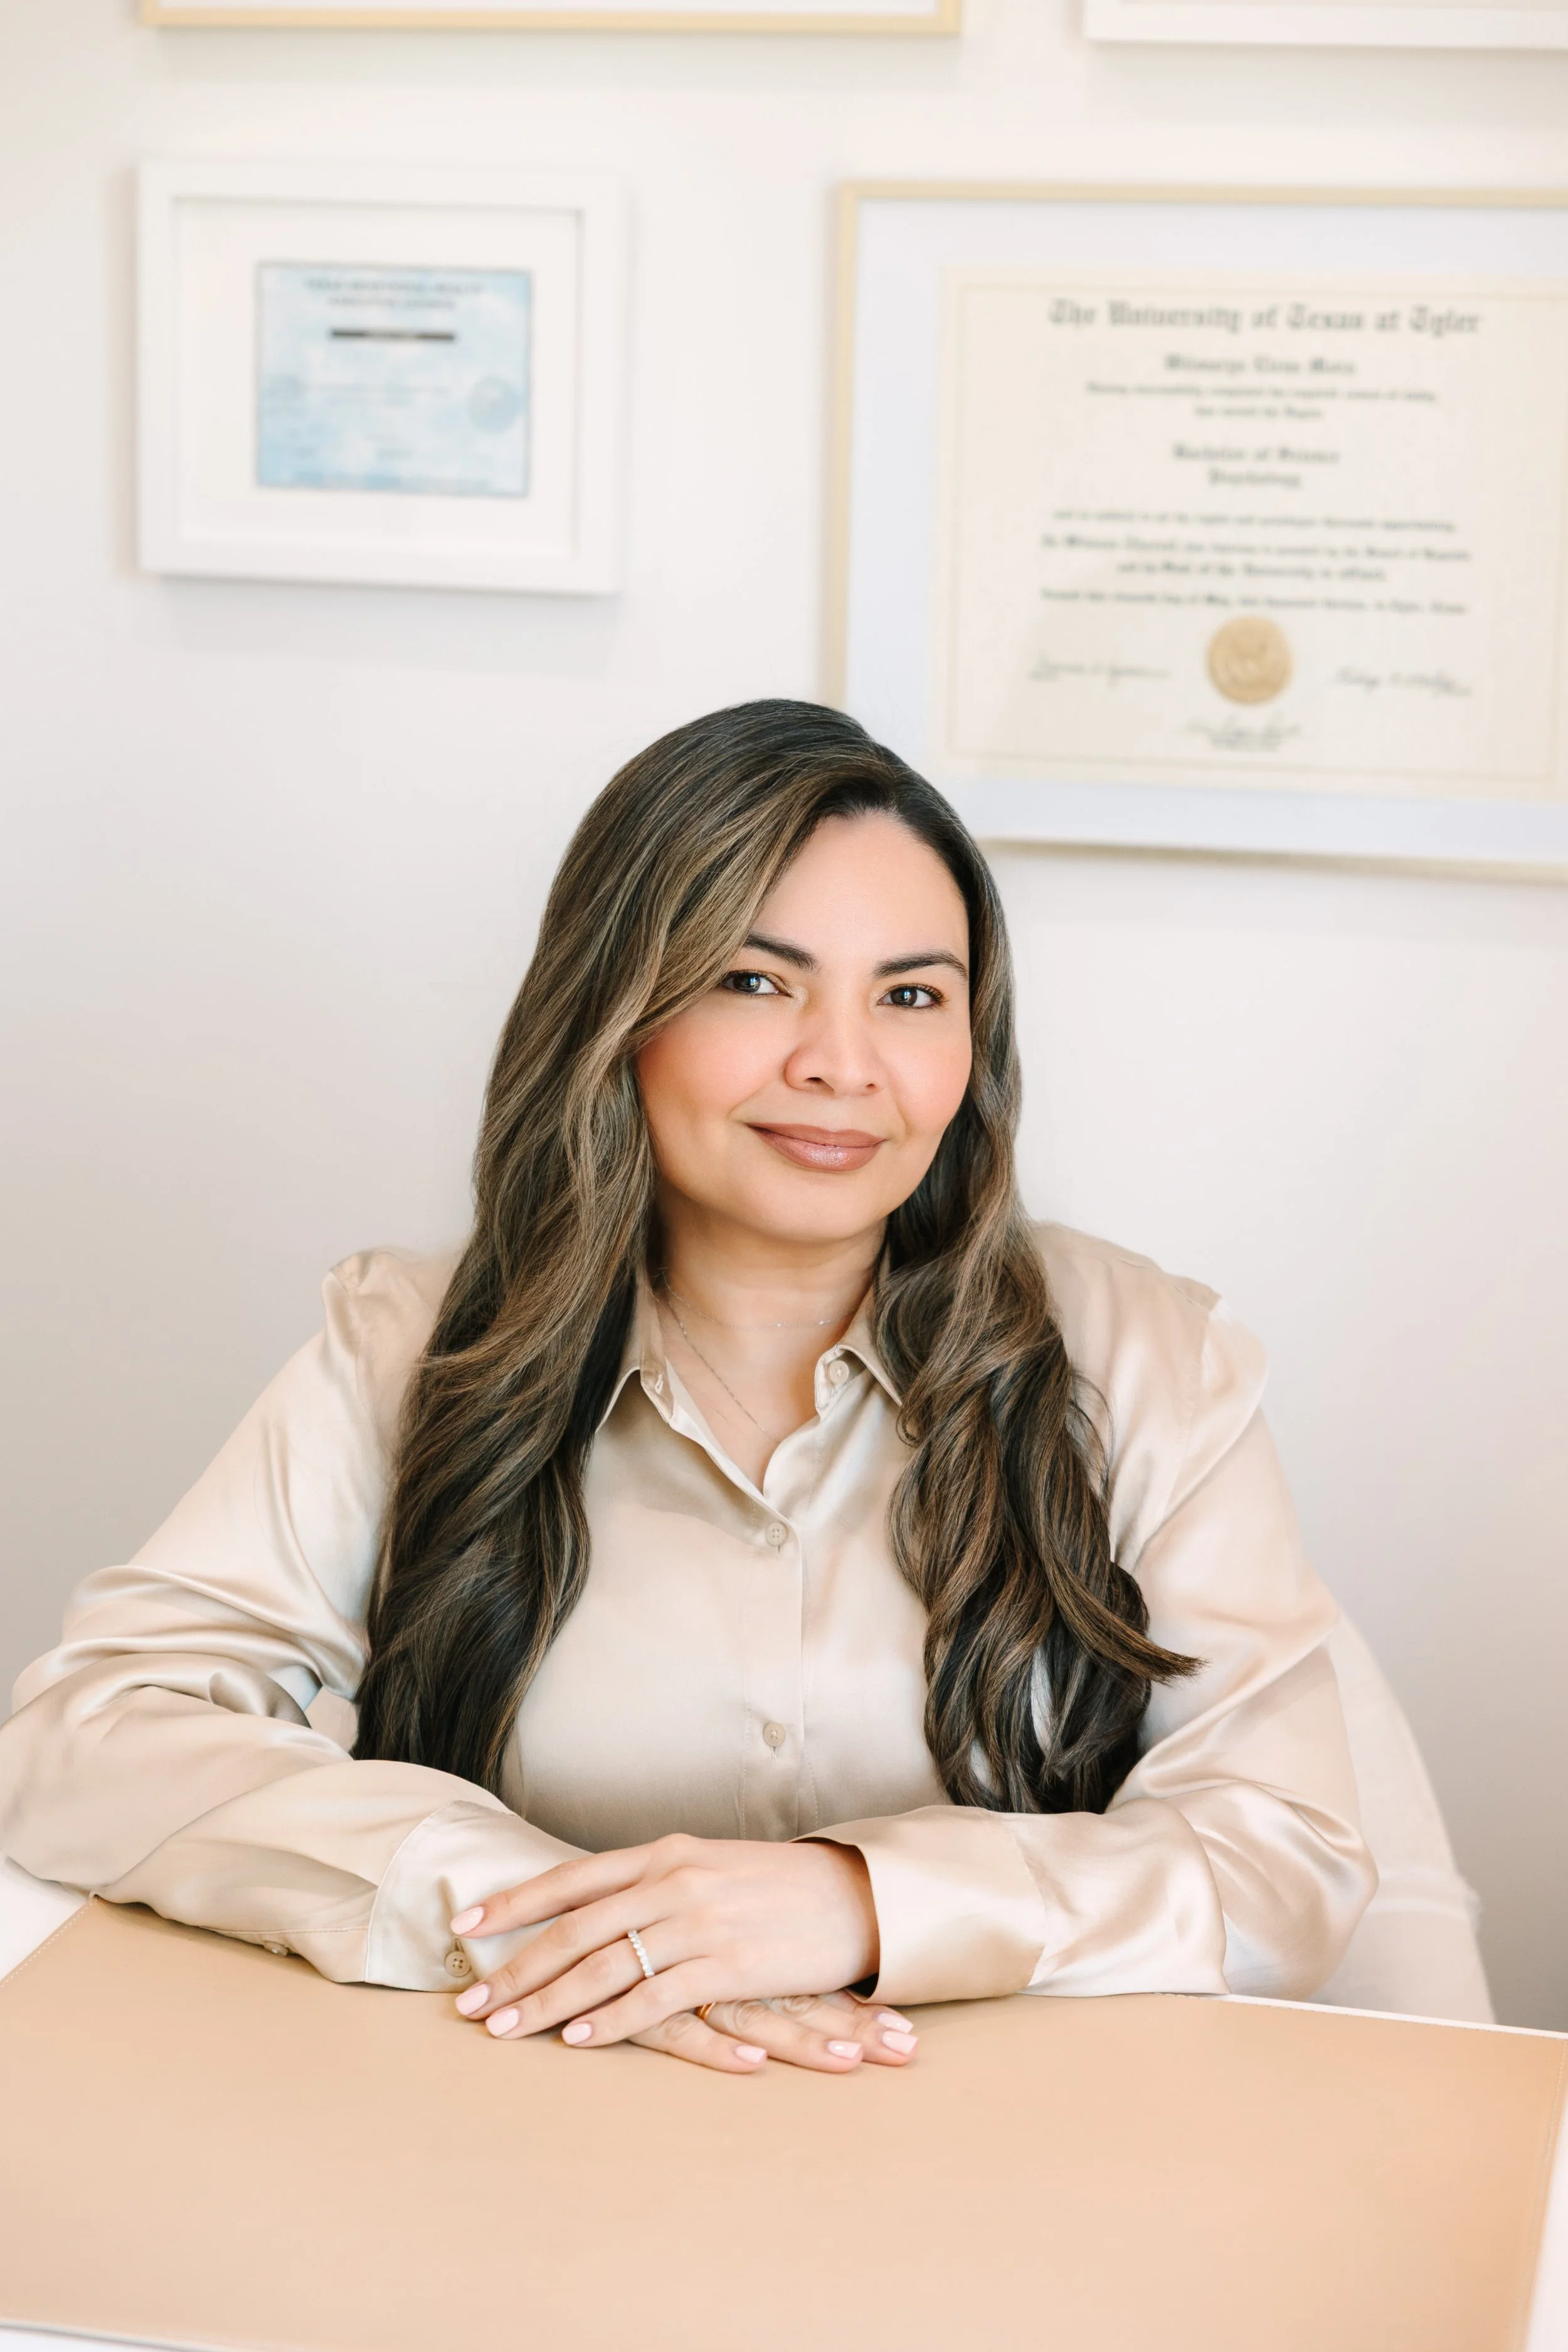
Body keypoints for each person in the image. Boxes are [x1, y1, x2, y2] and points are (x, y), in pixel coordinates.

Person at [0, 700, 1374, 2077]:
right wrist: (545, 1916)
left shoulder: (1138, 1356)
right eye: (754, 981)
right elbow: (84, 1735)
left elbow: (1284, 1859)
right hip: (528, 2121)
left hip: (1013, 2152)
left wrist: (857, 1902)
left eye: (909, 996)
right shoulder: (416, 1345)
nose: (840, 1064)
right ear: (621, 1010)